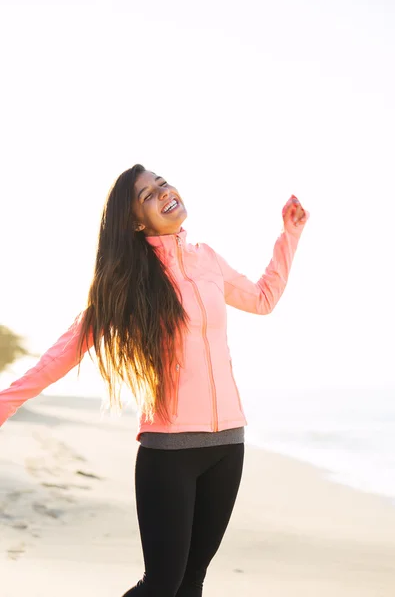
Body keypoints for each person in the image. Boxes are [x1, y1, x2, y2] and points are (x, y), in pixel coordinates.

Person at [0, 164, 310, 596]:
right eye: (148, 195)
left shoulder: (208, 259)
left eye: (163, 183)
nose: (164, 192)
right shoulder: (130, 280)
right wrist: (5, 403)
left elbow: (262, 299)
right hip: (170, 451)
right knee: (162, 584)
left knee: (192, 582)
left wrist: (288, 235)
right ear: (135, 221)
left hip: (227, 445)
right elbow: (66, 351)